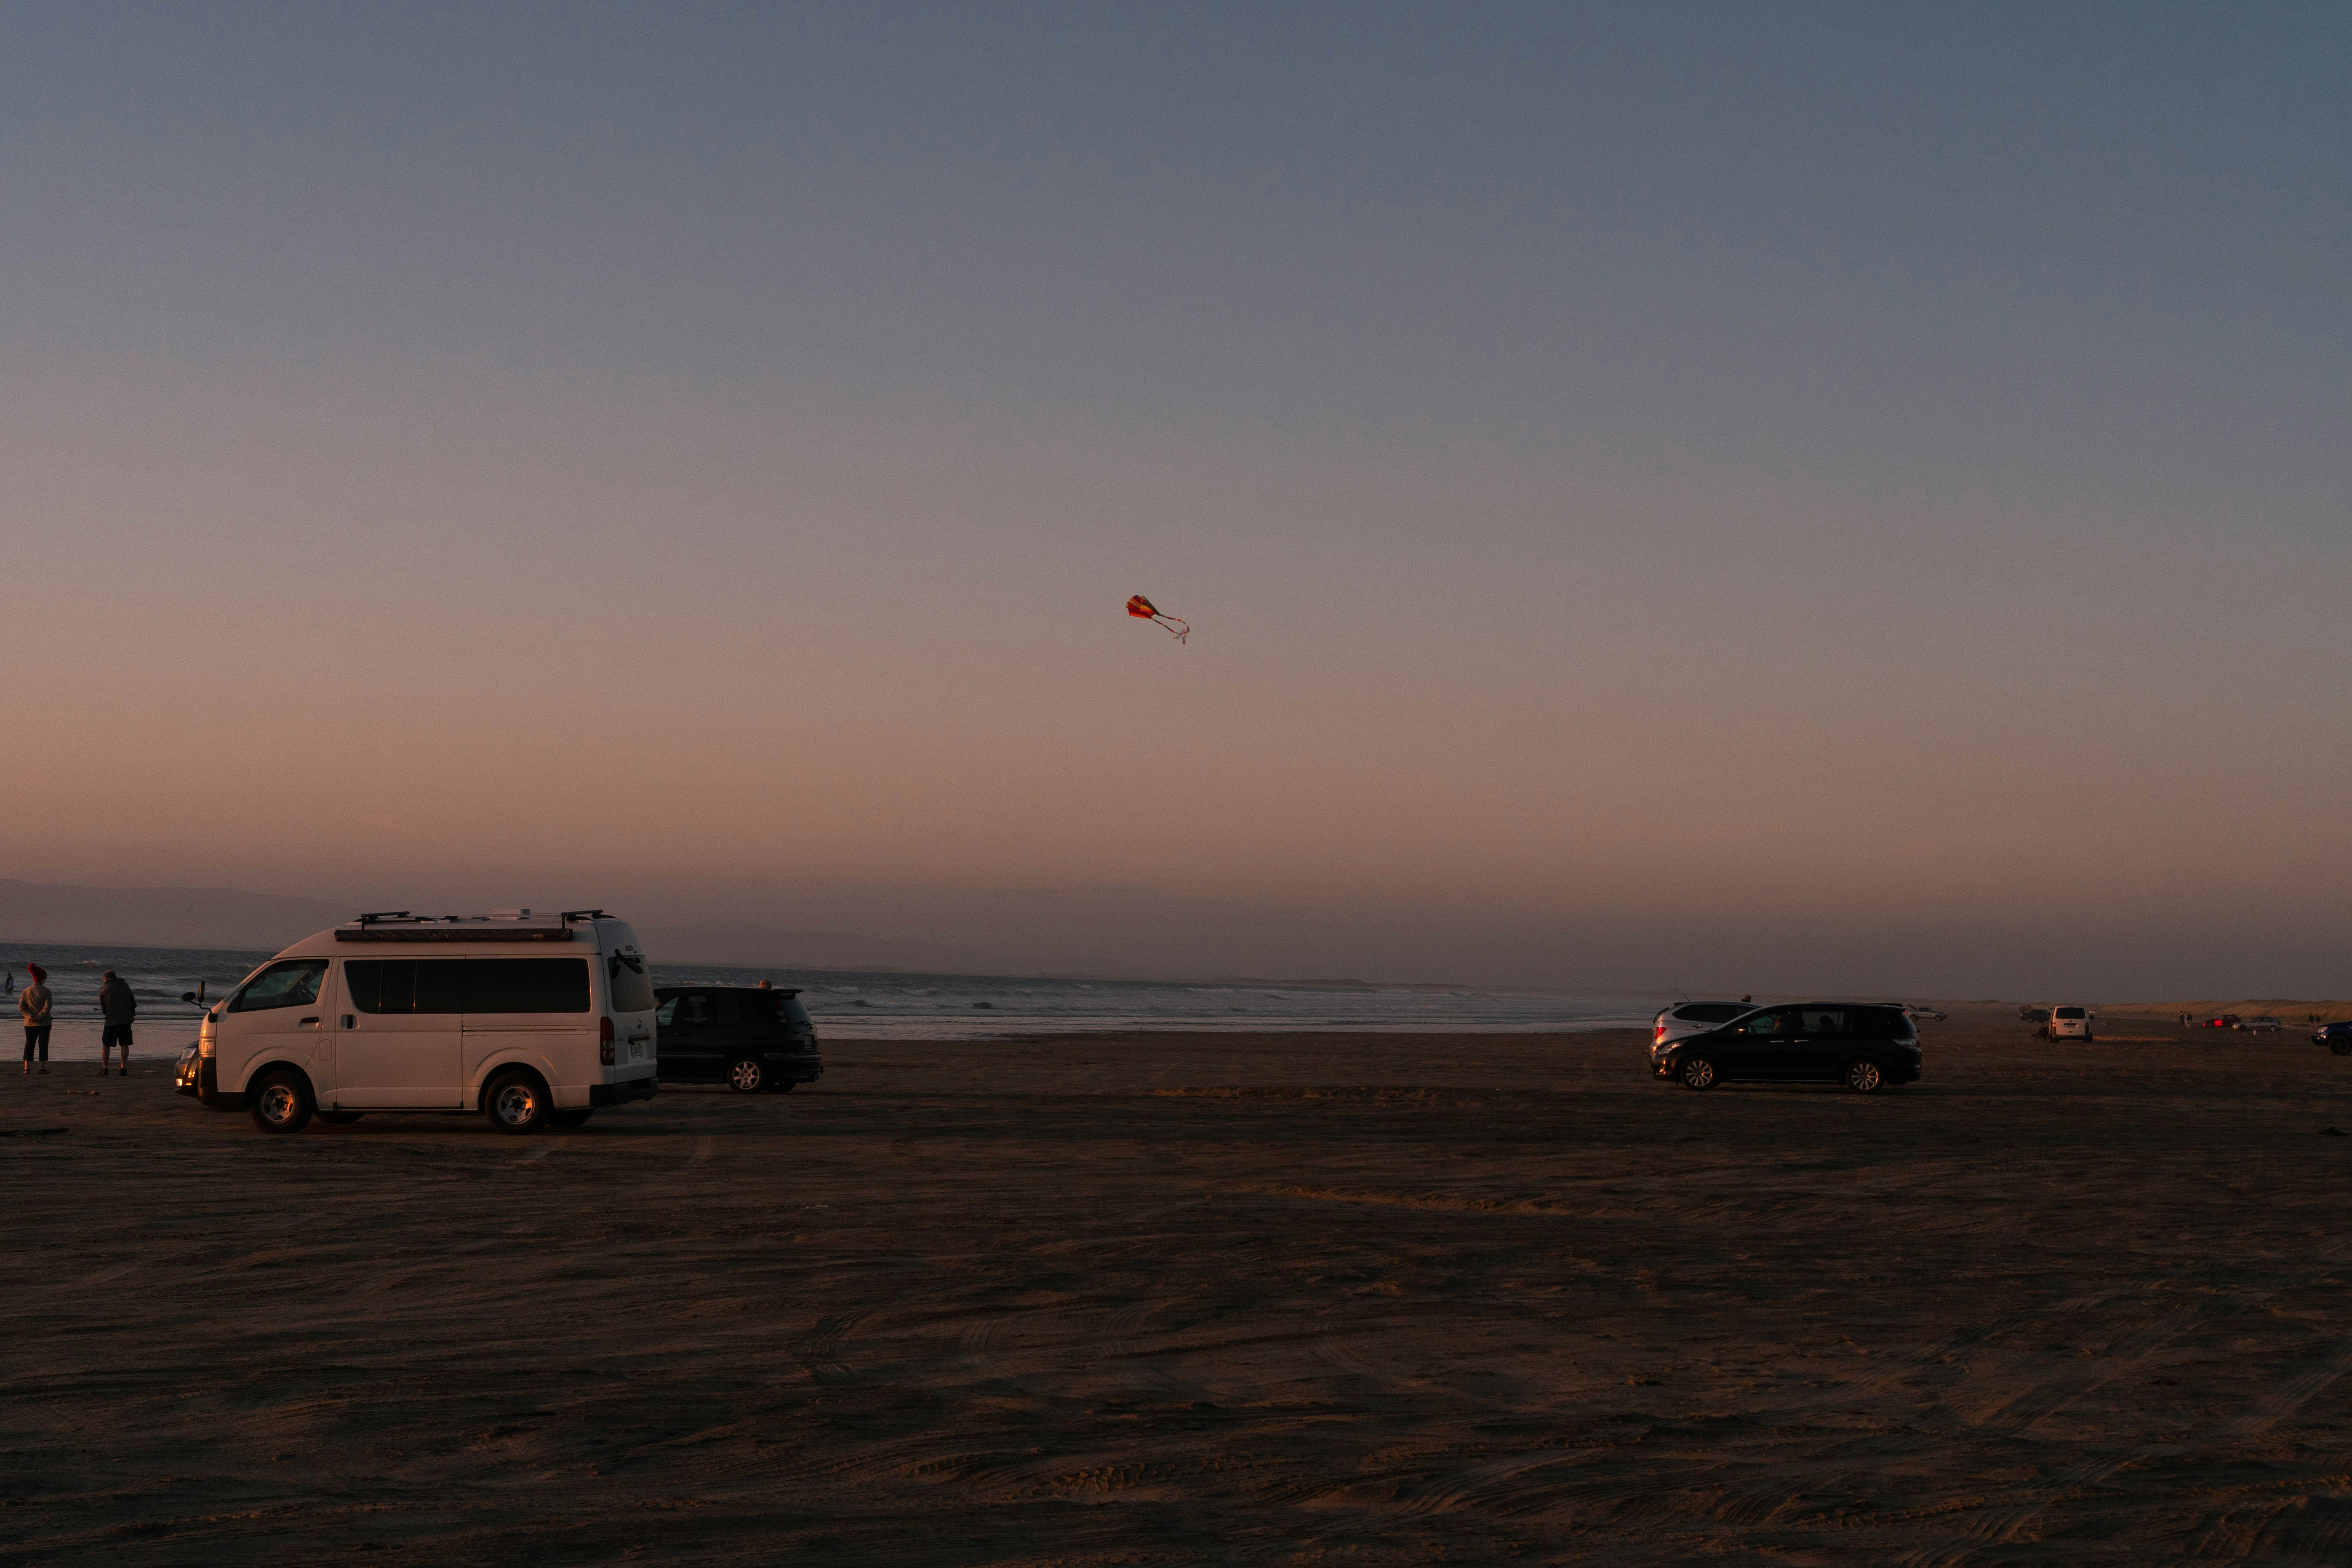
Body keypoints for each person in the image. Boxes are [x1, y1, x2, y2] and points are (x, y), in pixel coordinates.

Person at [97, 969, 136, 1077]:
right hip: (126, 1019)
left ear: (106, 979)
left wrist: (107, 1014)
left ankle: (105, 1068)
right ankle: (124, 1068)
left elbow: (103, 1007)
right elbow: (133, 1001)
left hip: (111, 1020)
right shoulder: (125, 986)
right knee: (125, 1044)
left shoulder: (104, 988)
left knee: (106, 1044)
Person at [19, 964, 52, 1075]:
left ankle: (27, 1068)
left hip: (29, 1023)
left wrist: (29, 1016)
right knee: (43, 1044)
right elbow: (47, 1008)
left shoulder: (26, 991)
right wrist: (39, 1016)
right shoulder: (47, 991)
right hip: (45, 1022)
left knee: (29, 1044)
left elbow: (22, 1008)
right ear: (43, 979)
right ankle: (42, 1068)